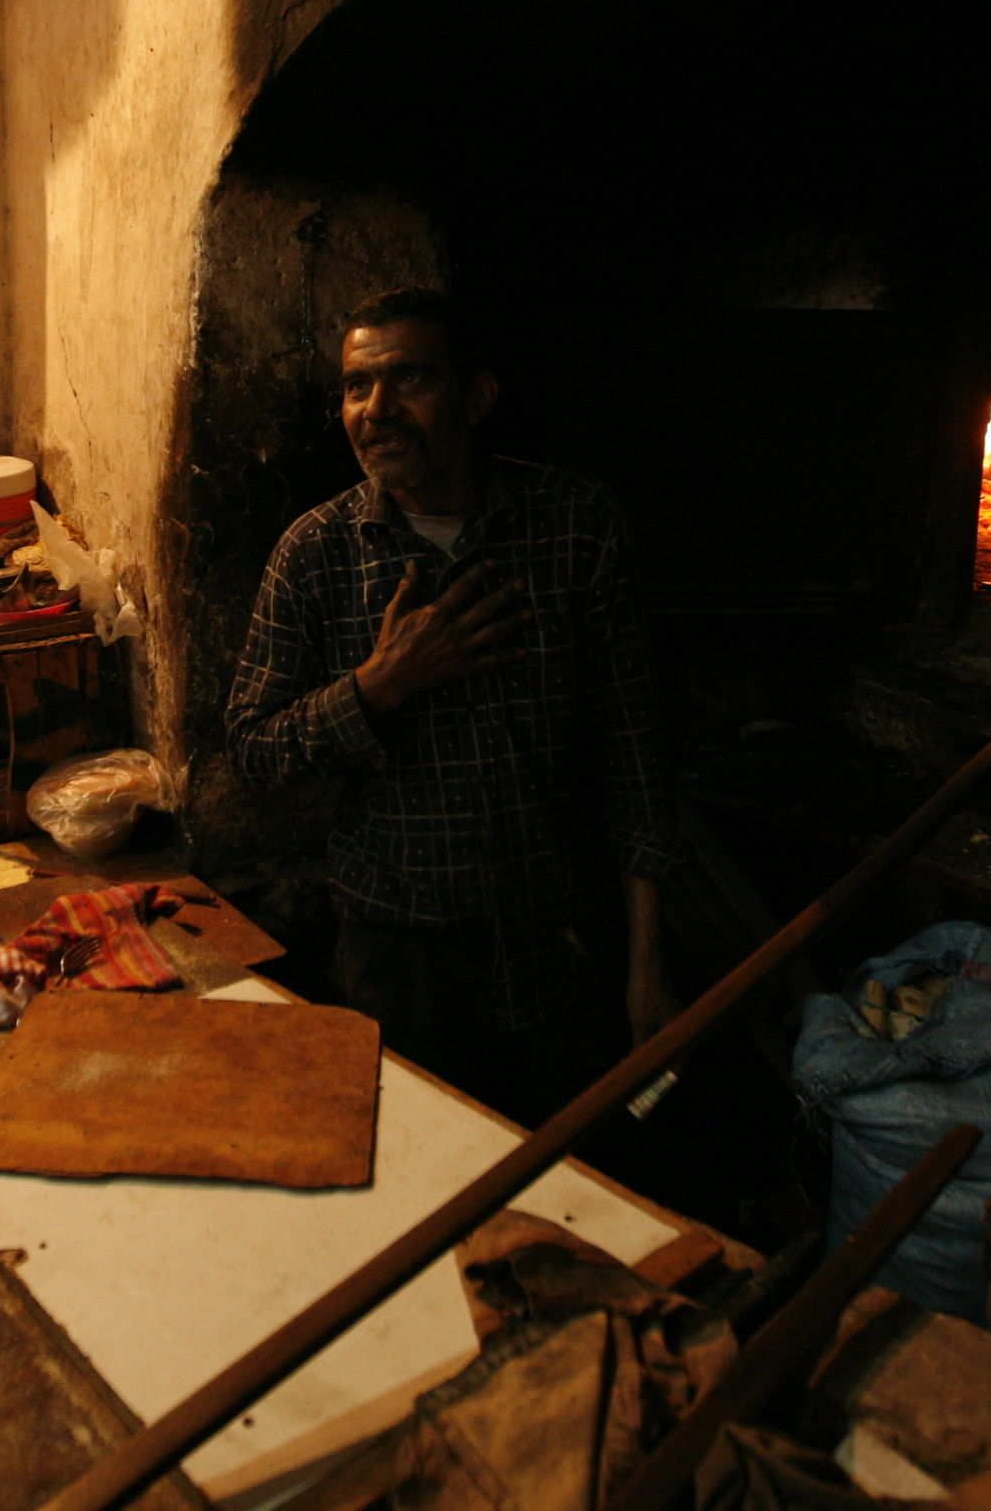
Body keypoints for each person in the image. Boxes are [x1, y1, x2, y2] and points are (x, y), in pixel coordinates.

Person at [225, 286, 678, 1120]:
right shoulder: (316, 554)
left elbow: (634, 751)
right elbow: (252, 753)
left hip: (552, 942)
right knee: (413, 1174)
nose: (377, 410)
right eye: (358, 387)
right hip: (394, 953)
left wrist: (647, 962)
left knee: (562, 1178)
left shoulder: (574, 528)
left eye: (410, 380)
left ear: (477, 396)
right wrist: (377, 687)